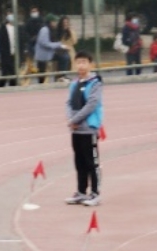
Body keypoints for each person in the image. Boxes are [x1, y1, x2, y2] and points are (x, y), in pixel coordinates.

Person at [65, 51, 103, 206]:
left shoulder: (95, 83)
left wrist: (75, 120)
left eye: (84, 62)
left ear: (90, 64)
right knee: (79, 162)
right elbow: (69, 103)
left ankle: (95, 193)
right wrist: (70, 120)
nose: (81, 65)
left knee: (91, 162)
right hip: (76, 130)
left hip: (89, 129)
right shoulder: (74, 83)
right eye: (78, 62)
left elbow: (92, 104)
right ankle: (81, 192)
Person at [0, 10, 19, 87]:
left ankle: (12, 85)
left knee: (13, 71)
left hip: (14, 53)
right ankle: (1, 86)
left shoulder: (16, 28)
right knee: (5, 72)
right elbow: (1, 42)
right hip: (5, 53)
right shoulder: (2, 28)